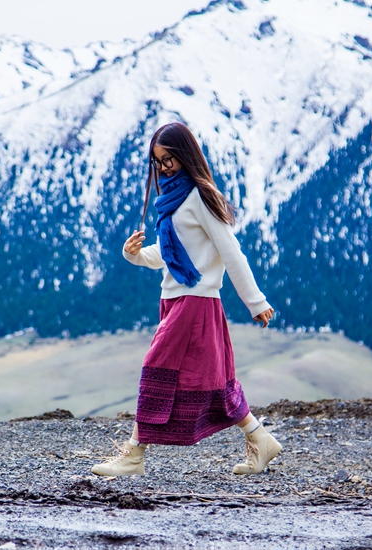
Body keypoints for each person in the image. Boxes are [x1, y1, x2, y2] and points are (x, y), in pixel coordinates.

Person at [92, 121, 282, 477]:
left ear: (185, 155)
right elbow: (170, 253)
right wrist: (133, 254)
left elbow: (232, 253)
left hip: (196, 301)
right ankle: (261, 440)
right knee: (213, 380)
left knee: (155, 370)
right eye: (157, 161)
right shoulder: (173, 199)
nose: (163, 167)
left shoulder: (201, 196)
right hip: (175, 300)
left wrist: (256, 302)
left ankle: (134, 454)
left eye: (169, 159)